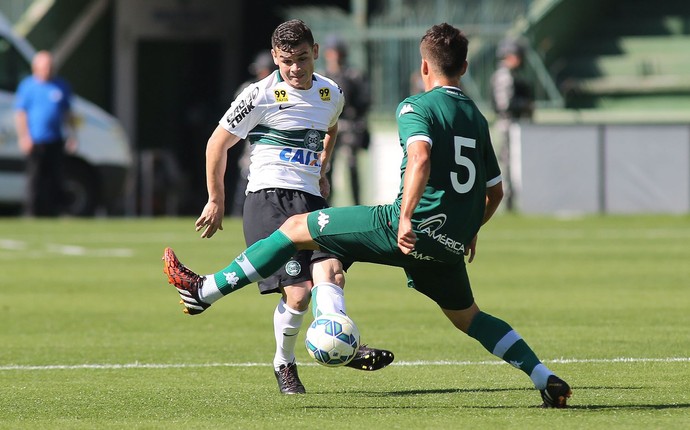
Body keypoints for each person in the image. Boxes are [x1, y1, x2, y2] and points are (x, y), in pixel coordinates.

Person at [164, 23, 572, 407]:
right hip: (447, 243)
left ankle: (205, 291)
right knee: (469, 317)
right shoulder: (478, 120)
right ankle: (542, 376)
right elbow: (495, 192)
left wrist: (407, 217)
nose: (294, 66)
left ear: (424, 66)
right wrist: (469, 230)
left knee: (295, 231)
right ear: (465, 67)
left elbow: (421, 156)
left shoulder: (414, 105)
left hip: (398, 226)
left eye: (302, 57)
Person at [164, 19, 392, 395]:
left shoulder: (331, 93)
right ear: (275, 58)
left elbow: (331, 128)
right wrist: (217, 199)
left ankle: (342, 343)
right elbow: (216, 145)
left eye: (302, 58)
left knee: (332, 272)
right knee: (299, 293)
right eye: (287, 61)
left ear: (315, 52)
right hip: (268, 198)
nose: (295, 69)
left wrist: (322, 167)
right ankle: (284, 363)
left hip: (311, 199)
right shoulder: (259, 95)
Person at [14, 50, 77, 217]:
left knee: (56, 177)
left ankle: (56, 212)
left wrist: (72, 135)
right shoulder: (27, 86)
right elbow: (21, 114)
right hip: (35, 140)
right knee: (35, 179)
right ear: (35, 68)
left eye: (49, 67)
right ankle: (32, 212)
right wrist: (24, 137)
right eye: (44, 67)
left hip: (55, 139)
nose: (47, 70)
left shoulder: (61, 86)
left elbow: (68, 114)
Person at [322, 36, 370, 205]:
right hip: (329, 125)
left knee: (352, 166)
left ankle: (357, 204)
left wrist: (358, 121)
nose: (335, 56)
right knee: (326, 165)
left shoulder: (354, 75)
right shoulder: (323, 77)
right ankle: (326, 203)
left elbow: (365, 100)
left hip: (349, 125)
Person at [229, 50, 276, 217]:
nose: (259, 73)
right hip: (253, 146)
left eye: (262, 70)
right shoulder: (252, 90)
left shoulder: (282, 91)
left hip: (275, 152)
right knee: (243, 190)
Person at [490, 37, 534, 212]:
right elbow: (504, 105)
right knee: (507, 163)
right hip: (506, 124)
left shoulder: (512, 75)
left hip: (511, 124)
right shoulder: (504, 75)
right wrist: (525, 105)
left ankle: (511, 201)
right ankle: (507, 202)